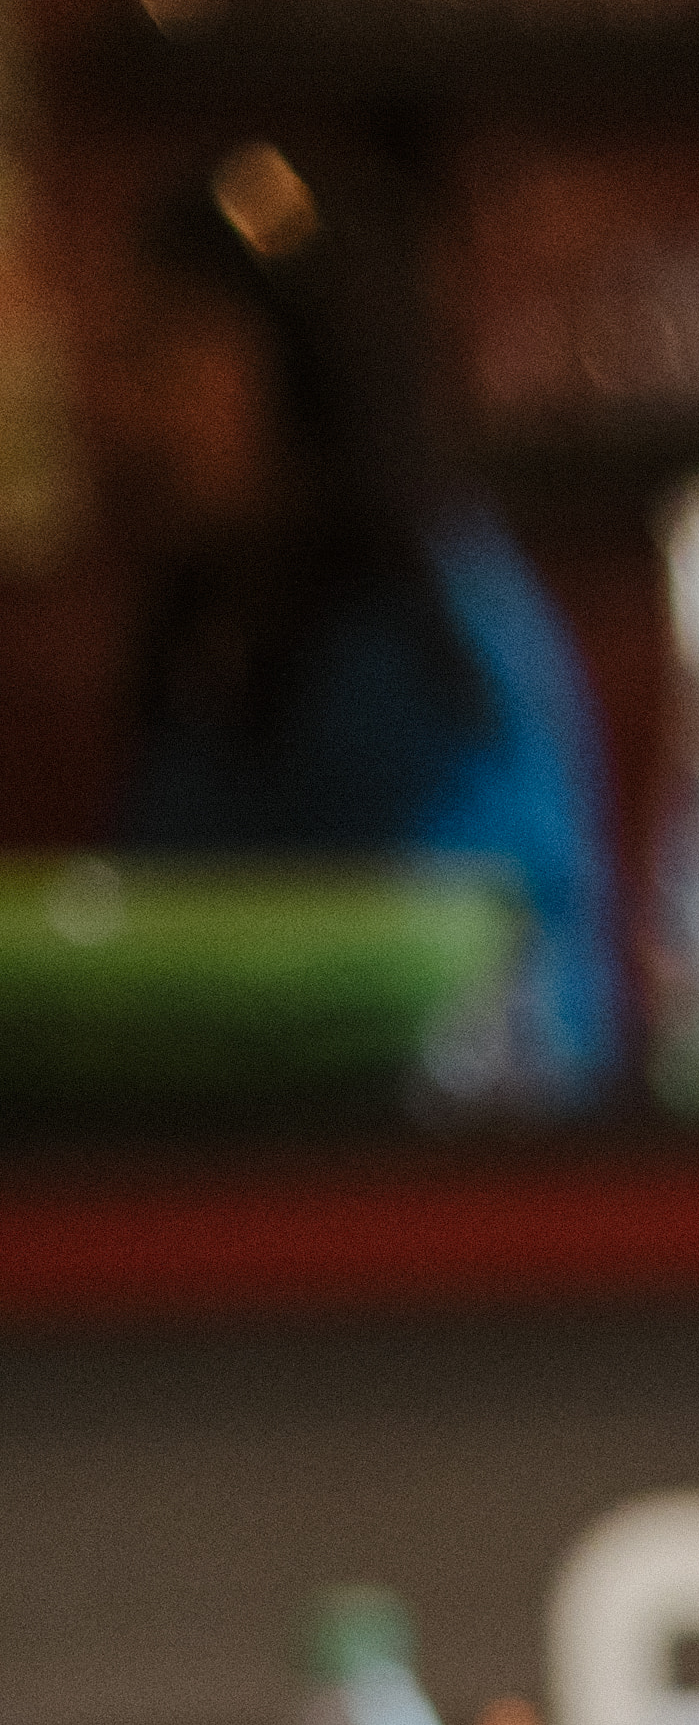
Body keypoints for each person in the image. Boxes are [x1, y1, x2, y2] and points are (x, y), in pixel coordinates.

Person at [97, 135, 619, 1091]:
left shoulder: (430, 635)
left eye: (165, 352)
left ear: (303, 370)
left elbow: (452, 993)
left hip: (440, 1209)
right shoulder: (217, 622)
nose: (129, 409)